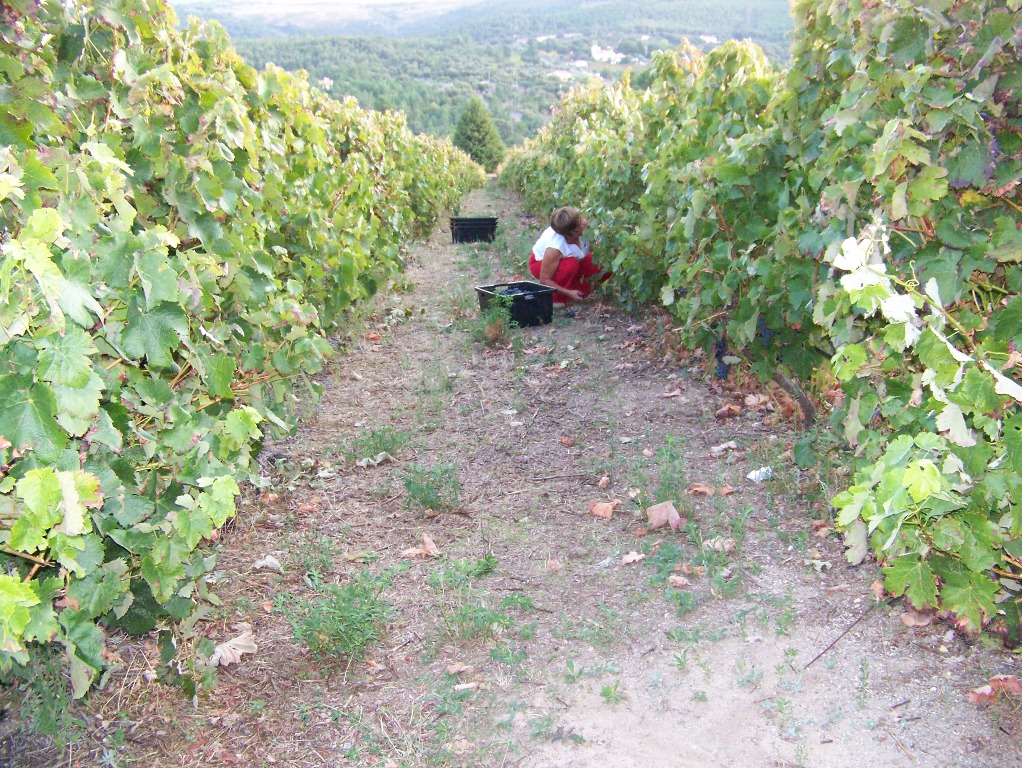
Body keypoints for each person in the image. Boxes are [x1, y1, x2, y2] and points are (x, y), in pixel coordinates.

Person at [528, 206, 608, 305]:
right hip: (540, 264)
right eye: (580, 222)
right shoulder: (555, 248)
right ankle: (556, 299)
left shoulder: (583, 227)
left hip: (572, 260)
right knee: (570, 264)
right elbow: (544, 280)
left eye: (580, 218)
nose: (584, 221)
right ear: (573, 232)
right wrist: (568, 293)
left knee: (603, 263)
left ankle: (580, 293)